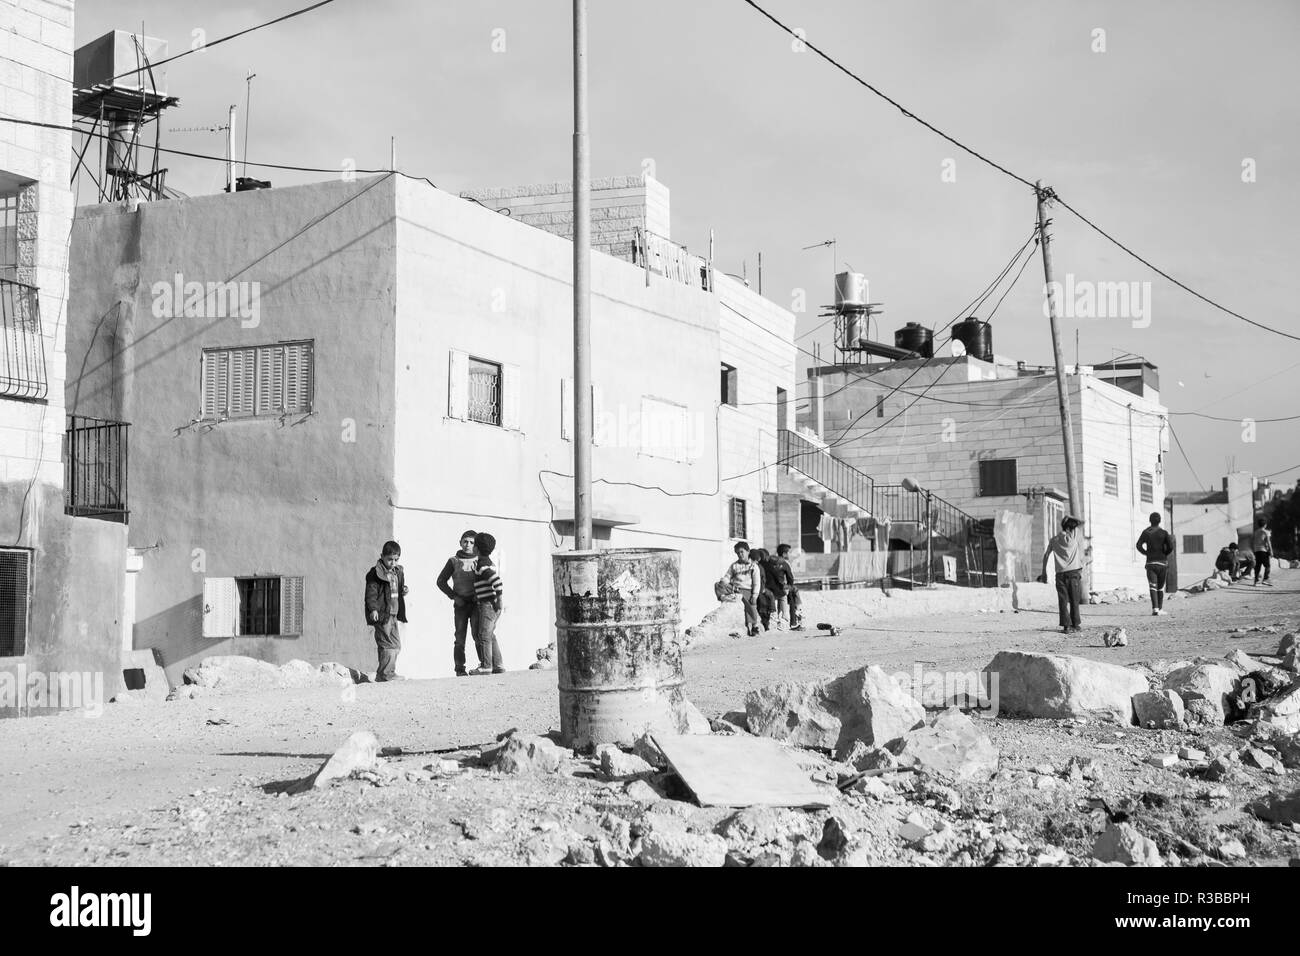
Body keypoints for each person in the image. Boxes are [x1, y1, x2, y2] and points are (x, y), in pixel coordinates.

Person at [437, 530, 480, 676]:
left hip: (475, 604)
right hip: (460, 605)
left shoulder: (479, 560)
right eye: (465, 541)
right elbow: (441, 581)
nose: (468, 545)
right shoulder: (453, 561)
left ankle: (484, 664)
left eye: (472, 542)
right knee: (460, 638)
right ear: (460, 542)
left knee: (477, 635)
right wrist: (454, 597)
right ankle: (460, 669)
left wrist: (478, 596)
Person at [364, 540, 408, 681]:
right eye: (390, 559)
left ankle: (385, 673)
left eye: (396, 559)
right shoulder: (375, 573)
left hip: (394, 614)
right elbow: (371, 594)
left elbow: (398, 589)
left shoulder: (398, 571)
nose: (393, 563)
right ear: (382, 556)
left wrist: (404, 590)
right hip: (382, 614)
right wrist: (373, 609)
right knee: (387, 644)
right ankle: (386, 674)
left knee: (396, 645)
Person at [466, 532, 506, 675]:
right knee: (490, 634)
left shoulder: (483, 565)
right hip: (490, 604)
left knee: (483, 635)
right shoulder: (488, 563)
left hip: (488, 605)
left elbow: (497, 582)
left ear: (476, 548)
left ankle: (486, 666)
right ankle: (498, 664)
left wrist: (499, 600)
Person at [1042, 516, 1085, 634]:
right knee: (1074, 600)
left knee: (1063, 600)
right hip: (1073, 574)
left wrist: (1044, 572)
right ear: (1071, 529)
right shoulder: (1073, 538)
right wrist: (1069, 520)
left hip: (1060, 574)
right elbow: (1079, 522)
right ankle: (1075, 625)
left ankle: (1066, 626)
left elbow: (1046, 555)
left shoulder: (1054, 540)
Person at [719, 541, 761, 637]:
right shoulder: (734, 565)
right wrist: (724, 580)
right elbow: (728, 576)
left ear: (748, 551)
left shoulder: (754, 566)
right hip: (734, 588)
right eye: (738, 553)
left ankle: (754, 625)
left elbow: (756, 583)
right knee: (718, 585)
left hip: (746, 589)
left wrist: (755, 595)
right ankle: (724, 597)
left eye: (742, 552)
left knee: (750, 604)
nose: (740, 554)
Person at [1135, 512, 1173, 616]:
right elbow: (1171, 547)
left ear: (1150, 520)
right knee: (1160, 588)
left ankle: (1155, 609)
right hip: (1162, 563)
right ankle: (1160, 609)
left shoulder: (1146, 532)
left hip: (1150, 563)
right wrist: (1164, 554)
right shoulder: (1164, 533)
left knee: (1152, 586)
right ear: (1159, 521)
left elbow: (1138, 545)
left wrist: (1146, 553)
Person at [773, 544, 804, 630]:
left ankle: (792, 617)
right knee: (793, 593)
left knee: (790, 593)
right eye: (789, 553)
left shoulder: (772, 562)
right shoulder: (785, 563)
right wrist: (789, 586)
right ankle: (795, 618)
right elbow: (791, 578)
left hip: (772, 587)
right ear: (784, 554)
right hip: (781, 588)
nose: (790, 555)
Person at [1252, 518, 1273, 586]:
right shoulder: (1266, 532)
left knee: (1258, 566)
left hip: (1256, 551)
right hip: (1263, 550)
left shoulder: (1255, 532)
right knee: (1267, 566)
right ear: (1265, 525)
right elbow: (1268, 541)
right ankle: (1266, 579)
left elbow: (1253, 542)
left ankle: (1256, 581)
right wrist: (1271, 550)